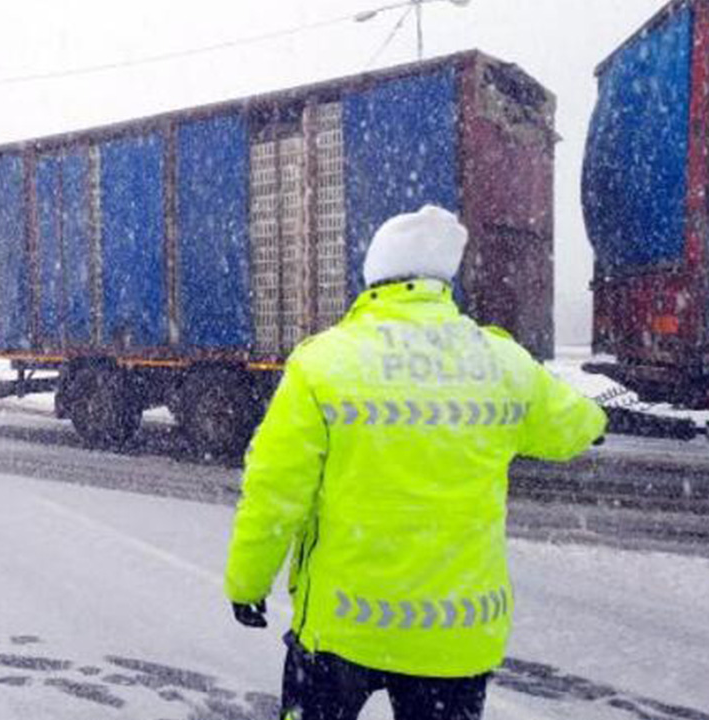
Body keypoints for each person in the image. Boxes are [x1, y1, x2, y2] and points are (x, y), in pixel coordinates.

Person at [224, 206, 605, 720]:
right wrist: (598, 419)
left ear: (374, 276)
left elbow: (273, 495)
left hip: (342, 628)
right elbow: (572, 428)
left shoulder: (324, 364)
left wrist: (248, 584)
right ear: (442, 278)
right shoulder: (500, 362)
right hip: (457, 633)